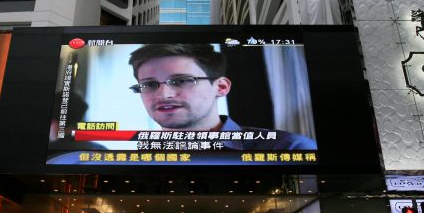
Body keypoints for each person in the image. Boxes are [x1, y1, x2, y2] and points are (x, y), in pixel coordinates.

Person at [127, 44, 316, 150]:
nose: (164, 95)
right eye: (149, 85)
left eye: (181, 80)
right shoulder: (139, 156)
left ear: (221, 87)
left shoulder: (288, 148)